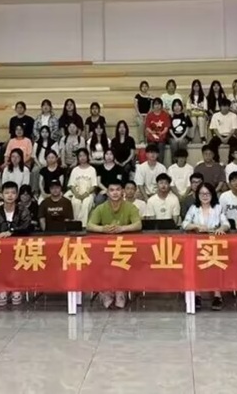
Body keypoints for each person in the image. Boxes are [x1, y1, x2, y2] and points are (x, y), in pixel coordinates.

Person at [87, 180, 142, 309]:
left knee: (122, 262)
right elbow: (89, 225)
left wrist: (122, 229)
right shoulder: (101, 208)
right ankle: (106, 291)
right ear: (107, 192)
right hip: (105, 250)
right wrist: (103, 229)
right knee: (101, 261)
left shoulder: (130, 207)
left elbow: (138, 224)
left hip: (125, 249)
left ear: (122, 192)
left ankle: (120, 290)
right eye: (112, 190)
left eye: (118, 189)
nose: (115, 193)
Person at [0, 181, 33, 306]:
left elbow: (27, 227)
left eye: (13, 193)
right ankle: (2, 287)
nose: (10, 195)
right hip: (1, 250)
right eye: (7, 193)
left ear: (17, 195)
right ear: (1, 195)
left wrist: (11, 232)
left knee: (18, 259)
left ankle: (16, 288)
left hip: (19, 249)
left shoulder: (23, 211)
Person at [182, 182, 230, 311]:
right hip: (197, 245)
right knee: (195, 267)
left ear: (212, 195)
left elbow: (226, 224)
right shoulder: (194, 208)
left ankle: (217, 295)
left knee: (215, 267)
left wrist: (221, 228)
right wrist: (196, 226)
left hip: (214, 244)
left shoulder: (218, 208)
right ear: (197, 195)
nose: (204, 196)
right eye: (202, 194)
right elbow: (185, 224)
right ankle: (197, 295)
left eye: (207, 193)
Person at [67, 149, 98, 223]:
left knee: (86, 203)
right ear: (78, 158)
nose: (82, 157)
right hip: (76, 192)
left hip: (88, 193)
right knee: (75, 202)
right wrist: (76, 194)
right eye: (80, 156)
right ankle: (76, 223)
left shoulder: (92, 169)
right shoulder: (75, 170)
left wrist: (86, 193)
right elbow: (71, 185)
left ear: (87, 156)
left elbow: (94, 186)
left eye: (84, 155)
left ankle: (83, 225)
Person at [208, 98, 237, 163]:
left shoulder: (233, 116)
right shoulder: (215, 115)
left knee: (235, 143)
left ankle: (231, 162)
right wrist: (221, 138)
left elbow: (234, 129)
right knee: (212, 144)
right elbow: (214, 129)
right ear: (220, 107)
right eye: (223, 106)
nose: (225, 108)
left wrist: (227, 138)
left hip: (230, 135)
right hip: (219, 136)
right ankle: (216, 161)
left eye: (227, 106)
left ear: (229, 107)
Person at [144, 97, 171, 162]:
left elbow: (166, 128)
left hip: (162, 137)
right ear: (153, 105)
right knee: (151, 147)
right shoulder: (149, 115)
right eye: (155, 104)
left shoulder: (165, 115)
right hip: (151, 137)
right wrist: (152, 132)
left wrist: (162, 133)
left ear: (161, 105)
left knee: (160, 147)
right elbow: (147, 127)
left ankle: (160, 164)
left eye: (159, 104)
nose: (157, 106)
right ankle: (151, 163)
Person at [32, 125, 57, 190]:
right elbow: (34, 156)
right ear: (40, 133)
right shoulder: (37, 143)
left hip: (50, 164)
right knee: (35, 171)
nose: (44, 134)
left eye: (46, 132)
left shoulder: (53, 143)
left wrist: (49, 165)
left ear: (49, 133)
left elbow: (56, 156)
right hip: (38, 164)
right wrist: (39, 165)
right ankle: (35, 191)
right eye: (43, 132)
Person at [187, 79, 208, 143]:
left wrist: (201, 111)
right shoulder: (190, 97)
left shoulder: (203, 97)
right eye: (195, 86)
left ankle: (202, 137)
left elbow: (205, 108)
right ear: (192, 87)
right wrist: (191, 111)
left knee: (201, 119)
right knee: (193, 119)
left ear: (200, 87)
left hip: (201, 113)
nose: (196, 87)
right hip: (192, 113)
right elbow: (188, 107)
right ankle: (190, 138)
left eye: (197, 86)